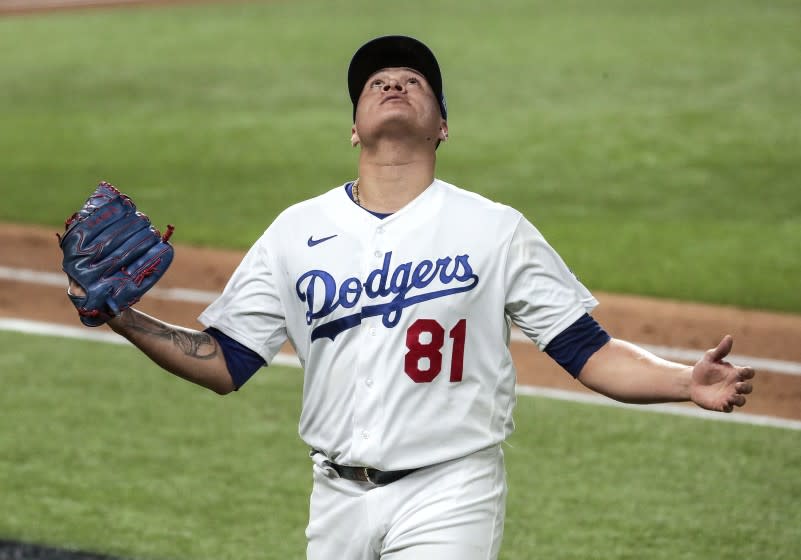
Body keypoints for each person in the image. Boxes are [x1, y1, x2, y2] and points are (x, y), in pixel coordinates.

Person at [66, 35, 755, 560]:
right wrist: (121, 317)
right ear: (353, 128)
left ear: (442, 126)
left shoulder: (493, 229)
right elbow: (225, 362)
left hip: (448, 490)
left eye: (413, 81)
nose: (393, 83)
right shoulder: (296, 231)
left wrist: (680, 382)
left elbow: (587, 351)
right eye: (376, 82)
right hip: (333, 497)